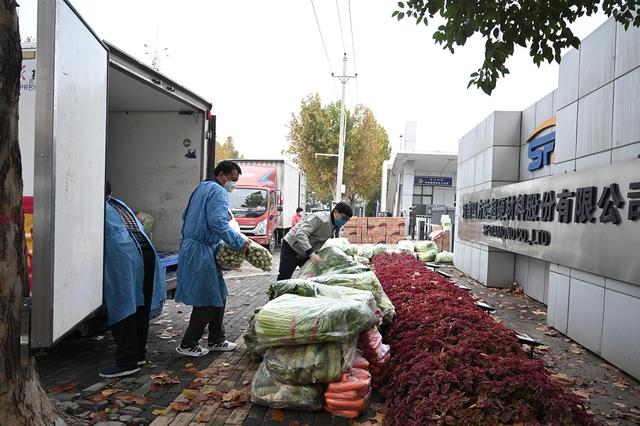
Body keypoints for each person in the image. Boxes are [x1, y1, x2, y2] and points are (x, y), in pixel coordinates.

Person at [175, 160, 249, 356]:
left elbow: (186, 216)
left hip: (198, 247)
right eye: (233, 180)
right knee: (208, 299)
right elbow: (217, 222)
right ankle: (188, 343)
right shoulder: (218, 191)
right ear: (222, 175)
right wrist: (238, 241)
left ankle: (217, 339)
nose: (234, 184)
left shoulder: (202, 187)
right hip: (200, 250)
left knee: (220, 295)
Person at [102, 182, 166, 378]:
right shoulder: (118, 204)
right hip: (145, 252)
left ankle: (126, 361)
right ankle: (138, 355)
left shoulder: (96, 206)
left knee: (123, 305)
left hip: (123, 254)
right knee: (140, 306)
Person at [277, 202, 353, 281]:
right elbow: (301, 234)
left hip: (305, 252)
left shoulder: (334, 225)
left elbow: (318, 240)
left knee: (312, 276)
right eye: (343, 218)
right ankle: (277, 292)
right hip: (291, 247)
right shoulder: (319, 218)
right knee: (284, 277)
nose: (344, 221)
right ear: (336, 212)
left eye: (347, 220)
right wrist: (311, 253)